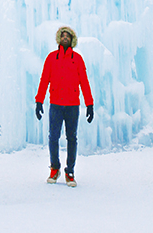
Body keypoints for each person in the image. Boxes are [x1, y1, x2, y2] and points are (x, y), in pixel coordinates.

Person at [35, 26, 94, 187]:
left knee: (72, 138)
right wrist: (39, 101)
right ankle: (55, 168)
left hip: (72, 106)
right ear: (59, 39)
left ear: (72, 39)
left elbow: (84, 82)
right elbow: (44, 80)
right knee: (53, 137)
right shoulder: (51, 58)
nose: (65, 38)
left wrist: (89, 104)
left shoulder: (78, 59)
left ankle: (70, 171)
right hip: (55, 104)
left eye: (68, 36)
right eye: (63, 35)